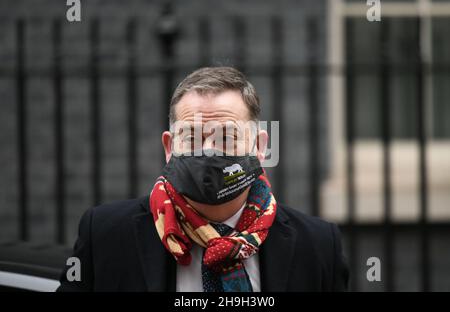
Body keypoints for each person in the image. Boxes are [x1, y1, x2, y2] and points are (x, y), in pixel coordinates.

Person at [57, 67, 349, 292]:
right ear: (170, 148)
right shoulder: (107, 236)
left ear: (260, 147)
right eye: (192, 136)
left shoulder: (319, 245)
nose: (208, 150)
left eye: (228, 137)